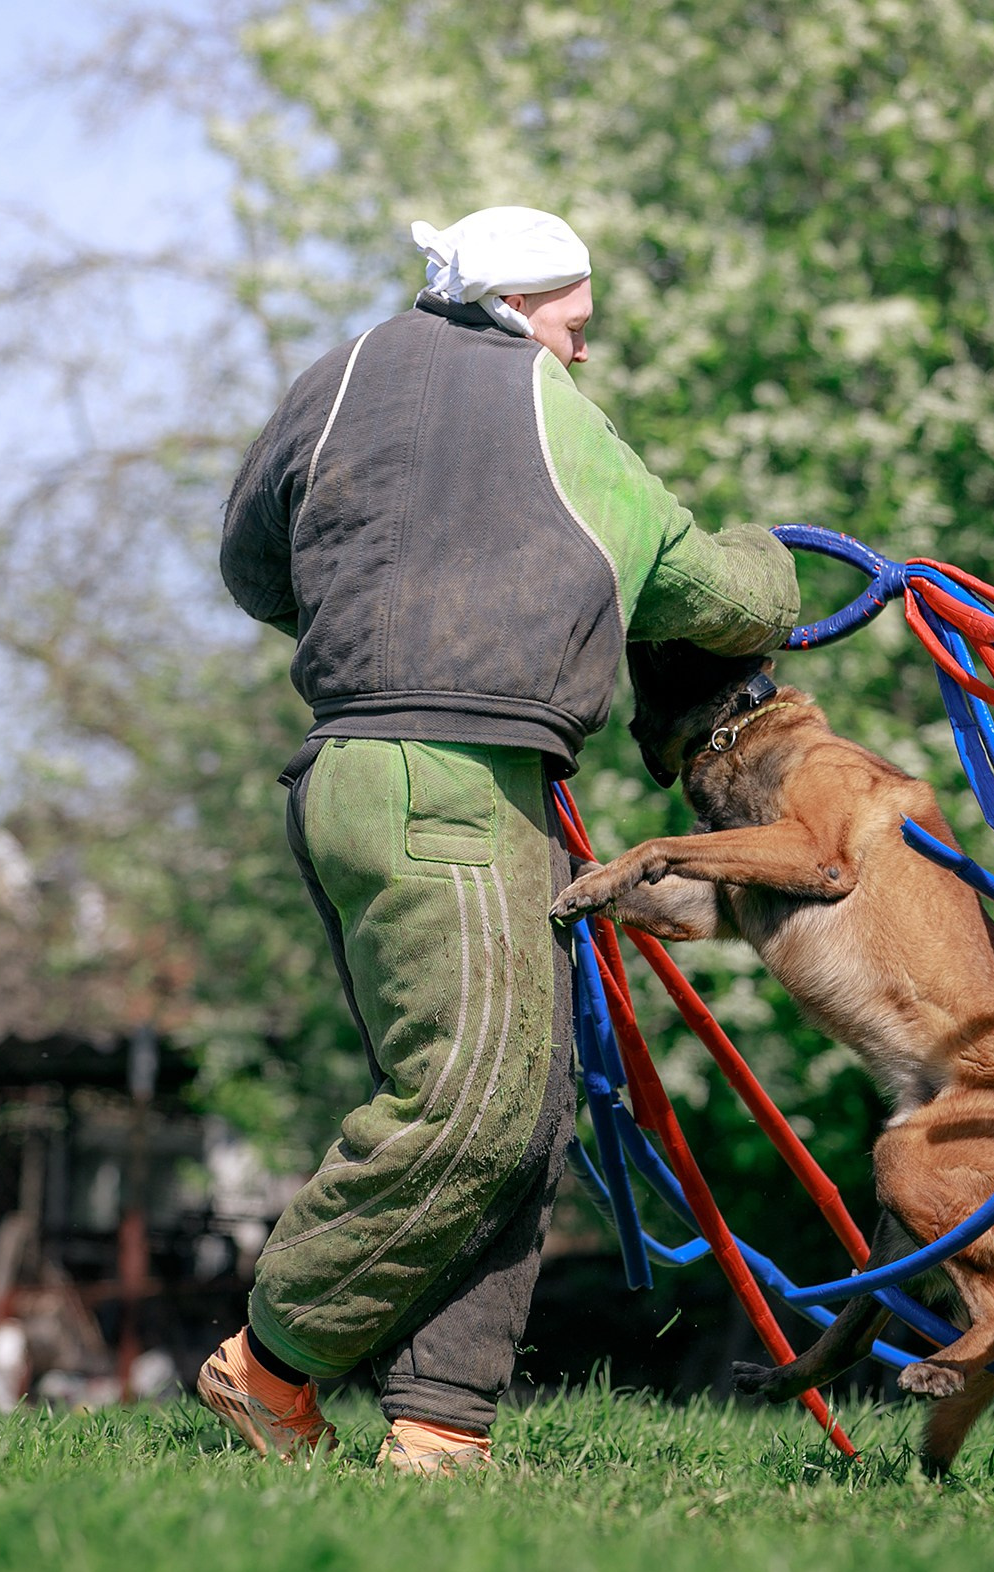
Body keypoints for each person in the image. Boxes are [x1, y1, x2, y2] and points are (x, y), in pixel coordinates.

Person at [207, 205, 799, 1473]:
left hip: (360, 770)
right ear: (521, 307)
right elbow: (715, 593)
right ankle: (271, 1359)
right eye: (575, 324)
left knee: (527, 1106)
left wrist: (379, 615)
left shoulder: (336, 374)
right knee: (472, 1105)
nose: (583, 348)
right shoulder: (546, 406)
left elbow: (253, 566)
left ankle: (439, 1425)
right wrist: (773, 563)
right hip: (448, 785)